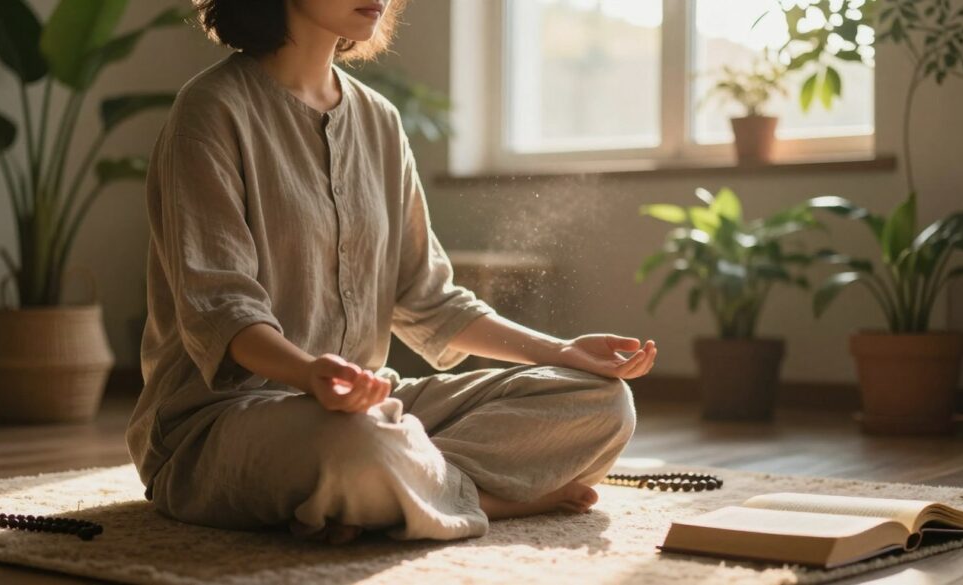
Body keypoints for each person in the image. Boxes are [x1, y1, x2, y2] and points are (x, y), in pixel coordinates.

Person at [126, 0, 659, 545]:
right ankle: (484, 499)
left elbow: (429, 298)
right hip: (221, 424)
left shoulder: (379, 120)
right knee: (360, 445)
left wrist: (561, 352)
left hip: (370, 408)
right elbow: (223, 313)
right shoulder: (211, 109)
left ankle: (385, 495)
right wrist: (313, 377)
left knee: (603, 401)